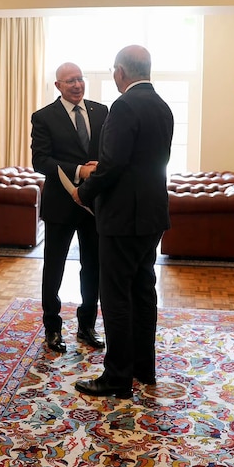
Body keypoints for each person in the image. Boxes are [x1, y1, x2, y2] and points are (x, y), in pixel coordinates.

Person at [71, 45, 174, 398]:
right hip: (153, 215)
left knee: (115, 297)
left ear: (119, 72)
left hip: (123, 220)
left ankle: (116, 377)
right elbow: (146, 162)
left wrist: (83, 193)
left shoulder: (124, 106)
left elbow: (113, 165)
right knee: (143, 291)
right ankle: (144, 368)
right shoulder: (162, 106)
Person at [30, 62, 108, 353]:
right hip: (60, 205)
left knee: (93, 267)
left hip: (94, 204)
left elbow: (108, 152)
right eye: (70, 81)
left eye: (80, 79)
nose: (77, 85)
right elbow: (41, 161)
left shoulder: (102, 112)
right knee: (54, 268)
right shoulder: (44, 117)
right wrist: (79, 170)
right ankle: (52, 328)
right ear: (58, 86)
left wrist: (100, 167)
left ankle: (87, 325)